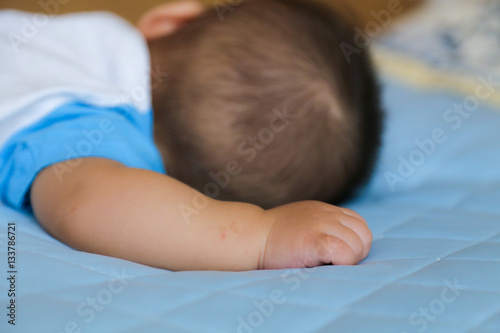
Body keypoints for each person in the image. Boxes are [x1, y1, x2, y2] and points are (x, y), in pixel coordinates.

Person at [0, 0, 382, 271]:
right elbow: (83, 202)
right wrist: (260, 236)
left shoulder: (92, 38)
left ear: (171, 19)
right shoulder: (95, 127)